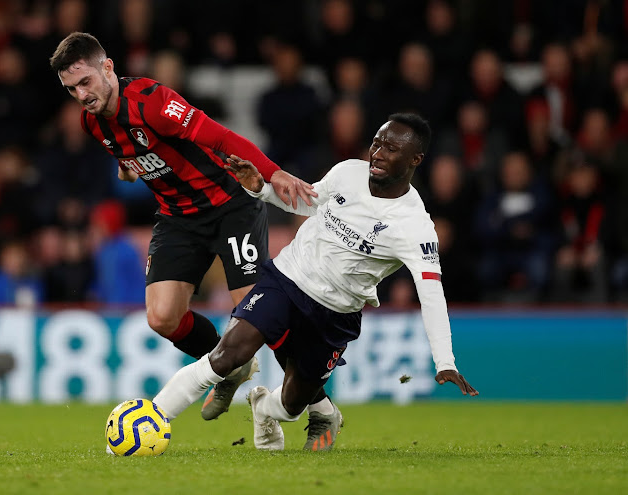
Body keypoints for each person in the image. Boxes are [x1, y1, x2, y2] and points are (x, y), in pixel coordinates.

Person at [153, 113, 478, 451]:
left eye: (392, 149)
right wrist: (261, 190)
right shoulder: (347, 172)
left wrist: (445, 362)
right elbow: (309, 203)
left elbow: (432, 296)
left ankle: (264, 409)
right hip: (287, 278)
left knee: (292, 405)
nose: (378, 153)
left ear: (415, 160)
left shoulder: (415, 227)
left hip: (335, 313)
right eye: (377, 143)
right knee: (228, 354)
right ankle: (153, 416)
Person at [49, 32, 317, 420]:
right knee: (162, 317)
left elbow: (221, 136)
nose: (81, 95)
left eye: (85, 82)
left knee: (256, 313)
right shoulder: (93, 124)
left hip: (229, 205)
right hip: (178, 217)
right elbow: (132, 150)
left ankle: (320, 405)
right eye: (71, 89)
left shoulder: (153, 102)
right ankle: (231, 366)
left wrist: (273, 174)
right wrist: (128, 167)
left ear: (107, 67)